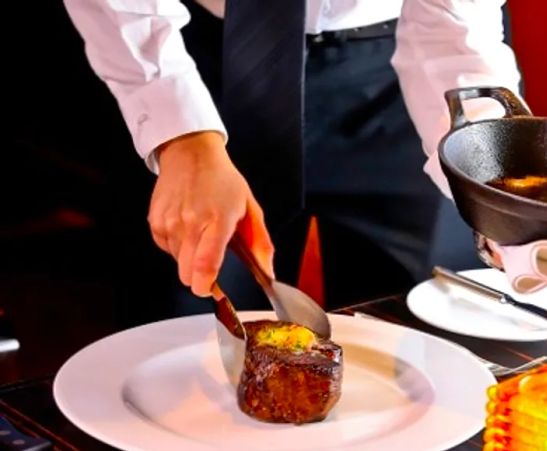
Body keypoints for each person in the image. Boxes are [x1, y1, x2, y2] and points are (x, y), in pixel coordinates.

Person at [62, 0, 522, 314]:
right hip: (186, 61)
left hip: (403, 75)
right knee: (188, 335)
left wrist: (488, 167)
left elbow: (456, 22)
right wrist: (179, 133)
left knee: (429, 342)